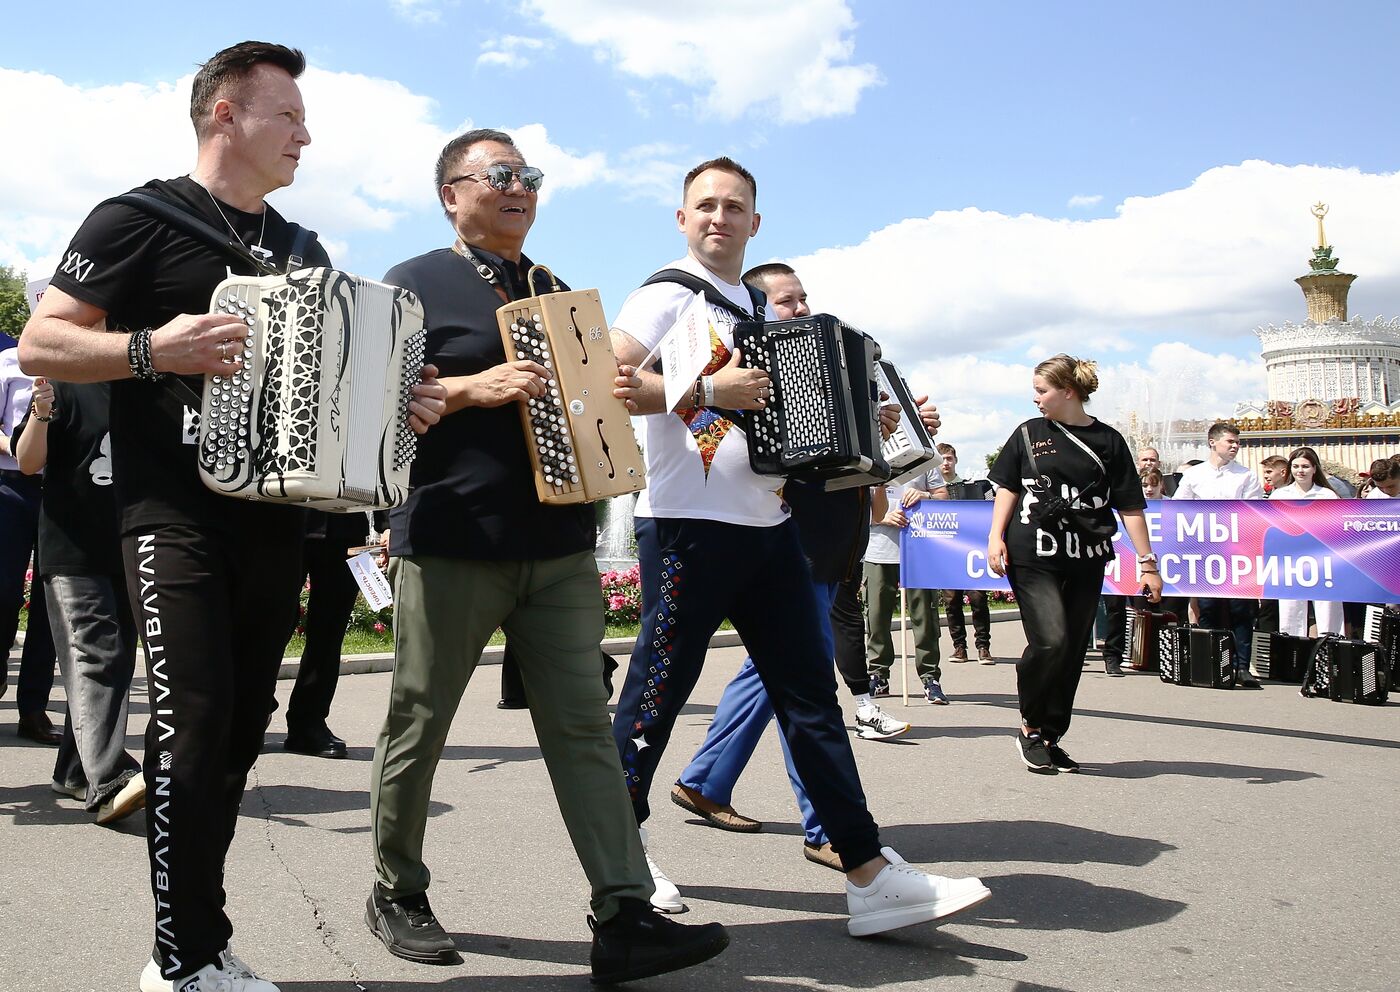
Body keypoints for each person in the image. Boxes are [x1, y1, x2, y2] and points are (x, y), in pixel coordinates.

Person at [20, 41, 445, 992]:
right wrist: (149, 349)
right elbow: (44, 341)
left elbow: (335, 381)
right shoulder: (138, 217)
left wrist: (394, 406)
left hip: (276, 520)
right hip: (168, 513)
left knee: (240, 728)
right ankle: (178, 960)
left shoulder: (304, 249)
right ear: (225, 115)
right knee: (193, 720)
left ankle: (203, 946)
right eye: (287, 115)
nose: (305, 134)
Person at [365, 129, 727, 984]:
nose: (519, 186)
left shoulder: (555, 290)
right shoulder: (409, 284)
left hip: (560, 547)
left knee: (583, 731)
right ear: (451, 193)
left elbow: (608, 396)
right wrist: (465, 389)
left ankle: (624, 913)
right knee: (420, 719)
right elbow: (369, 404)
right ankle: (397, 888)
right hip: (455, 537)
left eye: (528, 175)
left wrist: (696, 390)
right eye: (500, 175)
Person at [610, 155, 991, 937]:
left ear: (757, 222)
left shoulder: (754, 304)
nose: (720, 217)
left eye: (735, 206)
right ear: (683, 219)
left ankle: (868, 871)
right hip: (688, 523)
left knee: (811, 696)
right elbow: (614, 379)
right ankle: (618, 850)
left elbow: (795, 424)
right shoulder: (666, 293)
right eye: (705, 205)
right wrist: (712, 391)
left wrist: (861, 427)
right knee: (658, 690)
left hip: (768, 525)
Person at [671, 262, 927, 872]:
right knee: (802, 680)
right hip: (797, 542)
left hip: (832, 541)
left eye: (804, 297)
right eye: (786, 301)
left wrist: (882, 423)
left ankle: (707, 778)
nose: (801, 308)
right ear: (757, 310)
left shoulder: (823, 364)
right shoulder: (753, 371)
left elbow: (863, 460)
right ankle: (825, 826)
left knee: (775, 674)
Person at [987, 355, 1163, 773]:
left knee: (1071, 651)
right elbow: (1008, 488)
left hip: (1086, 556)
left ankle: (1051, 735)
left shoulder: (1109, 441)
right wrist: (995, 537)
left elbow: (1131, 507)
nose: (1036, 398)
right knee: (1051, 640)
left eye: (1042, 390)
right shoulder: (1028, 434)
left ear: (1068, 391)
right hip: (1033, 553)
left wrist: (1148, 563)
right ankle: (1029, 725)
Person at [14, 376, 146, 823]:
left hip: (127, 549)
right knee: (96, 656)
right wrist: (41, 411)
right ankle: (109, 780)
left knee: (116, 663)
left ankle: (73, 769)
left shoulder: (148, 391)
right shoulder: (65, 386)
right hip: (71, 551)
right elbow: (28, 462)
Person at [1173, 423, 1264, 687]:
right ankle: (1210, 660)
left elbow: (1254, 512)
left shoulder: (1246, 476)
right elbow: (1179, 509)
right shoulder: (1195, 475)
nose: (1235, 446)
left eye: (1237, 442)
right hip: (1204, 553)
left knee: (1241, 609)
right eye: (1230, 442)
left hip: (1238, 553)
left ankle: (1241, 666)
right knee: (1208, 607)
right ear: (1213, 442)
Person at [0, 345, 60, 742]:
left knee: (51, 603)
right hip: (12, 488)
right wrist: (18, 448)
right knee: (3, 593)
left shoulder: (85, 364)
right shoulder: (7, 362)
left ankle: (34, 708)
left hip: (63, 490)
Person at [281, 511, 373, 759]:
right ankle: (252, 711)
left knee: (329, 633)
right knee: (270, 624)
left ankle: (308, 724)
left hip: (345, 523)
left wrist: (388, 522)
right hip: (284, 517)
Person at [865, 469, 950, 702]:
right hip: (879, 549)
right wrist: (880, 517)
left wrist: (925, 496)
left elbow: (944, 496)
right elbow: (856, 500)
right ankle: (878, 674)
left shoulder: (925, 455)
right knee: (876, 617)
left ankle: (930, 677)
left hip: (918, 548)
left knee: (925, 617)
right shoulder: (872, 451)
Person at [1270, 446, 1344, 637]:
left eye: (1305, 466)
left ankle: (1330, 655)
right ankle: (1294, 658)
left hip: (1323, 559)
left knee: (1328, 611)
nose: (1300, 471)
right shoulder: (1279, 495)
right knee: (1290, 612)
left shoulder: (1327, 496)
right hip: (1290, 560)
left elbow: (1337, 527)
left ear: (1314, 469)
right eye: (1295, 466)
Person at [938, 443, 995, 664]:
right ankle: (959, 647)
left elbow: (990, 506)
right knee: (951, 601)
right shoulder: (932, 490)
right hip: (947, 554)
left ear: (955, 460)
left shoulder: (973, 487)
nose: (945, 463)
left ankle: (983, 646)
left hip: (971, 552)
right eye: (942, 458)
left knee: (978, 598)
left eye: (949, 458)